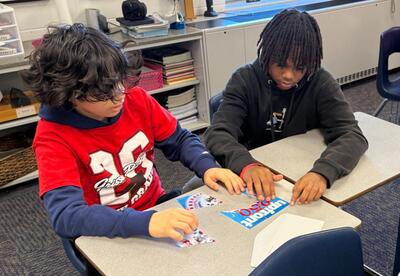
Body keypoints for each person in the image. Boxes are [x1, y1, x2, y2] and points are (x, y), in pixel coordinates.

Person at [21, 23, 244, 241]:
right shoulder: (52, 136)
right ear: (69, 93)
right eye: (103, 91)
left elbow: (180, 139)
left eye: (118, 81)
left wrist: (206, 166)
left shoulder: (135, 98)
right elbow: (66, 216)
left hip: (157, 207)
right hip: (106, 229)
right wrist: (144, 222)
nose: (119, 93)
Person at [204, 9, 368, 205]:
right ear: (268, 53)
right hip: (251, 172)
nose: (289, 75)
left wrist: (323, 172)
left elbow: (352, 135)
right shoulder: (244, 79)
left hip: (299, 172)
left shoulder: (321, 82)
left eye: (299, 67)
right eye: (281, 65)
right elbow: (218, 133)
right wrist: (246, 165)